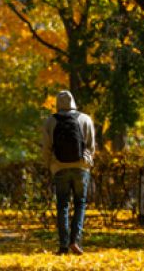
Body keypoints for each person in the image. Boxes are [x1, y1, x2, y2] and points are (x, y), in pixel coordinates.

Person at [42, 90, 95, 255]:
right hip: (81, 167)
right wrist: (87, 162)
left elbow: (46, 147)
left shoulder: (50, 121)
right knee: (80, 204)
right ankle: (75, 240)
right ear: (73, 102)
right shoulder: (85, 119)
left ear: (58, 103)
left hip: (60, 167)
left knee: (62, 205)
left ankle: (63, 246)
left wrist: (49, 165)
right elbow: (91, 145)